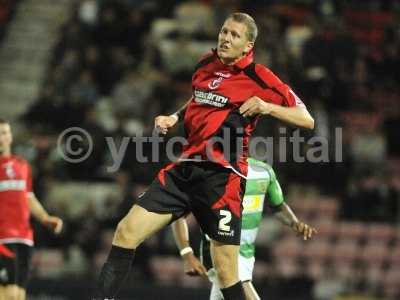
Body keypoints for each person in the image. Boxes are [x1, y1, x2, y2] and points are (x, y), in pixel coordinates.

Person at [96, 12, 314, 300]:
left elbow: (306, 119)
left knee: (226, 275)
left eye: (235, 35)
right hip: (185, 169)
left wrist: (267, 106)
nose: (225, 38)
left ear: (248, 46)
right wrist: (174, 117)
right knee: (125, 231)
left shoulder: (259, 77)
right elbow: (199, 97)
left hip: (221, 179)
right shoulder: (205, 63)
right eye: (224, 31)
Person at [172, 158, 317, 300]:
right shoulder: (208, 173)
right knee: (239, 284)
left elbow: (278, 205)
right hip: (218, 248)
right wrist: (187, 253)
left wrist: (295, 223)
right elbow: (179, 213)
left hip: (247, 253)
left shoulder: (264, 172)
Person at [0, 119, 63, 300]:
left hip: (24, 237)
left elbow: (28, 197)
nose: (2, 137)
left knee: (19, 294)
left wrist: (45, 218)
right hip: (2, 237)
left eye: (5, 132)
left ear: (10, 136)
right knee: (8, 294)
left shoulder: (22, 165)